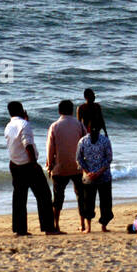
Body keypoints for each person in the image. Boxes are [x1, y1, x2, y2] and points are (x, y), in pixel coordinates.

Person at [5, 101, 61, 236]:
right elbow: (28, 145)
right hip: (27, 164)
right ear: (22, 110)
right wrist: (34, 162)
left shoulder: (9, 125)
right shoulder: (24, 125)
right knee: (43, 195)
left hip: (14, 163)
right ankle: (48, 227)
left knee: (19, 197)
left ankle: (20, 229)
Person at [47, 99, 87, 232]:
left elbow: (50, 148)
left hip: (60, 166)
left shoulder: (54, 126)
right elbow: (85, 145)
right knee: (81, 196)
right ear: (71, 110)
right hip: (77, 166)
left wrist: (49, 164)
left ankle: (56, 225)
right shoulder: (80, 125)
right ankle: (83, 225)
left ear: (59, 111)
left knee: (58, 197)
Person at [75, 116, 113, 232]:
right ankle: (104, 226)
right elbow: (109, 158)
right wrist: (99, 172)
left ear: (88, 128)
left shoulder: (83, 141)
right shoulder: (105, 141)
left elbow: (78, 159)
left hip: (89, 177)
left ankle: (88, 227)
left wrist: (88, 172)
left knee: (88, 202)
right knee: (105, 202)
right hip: (104, 176)